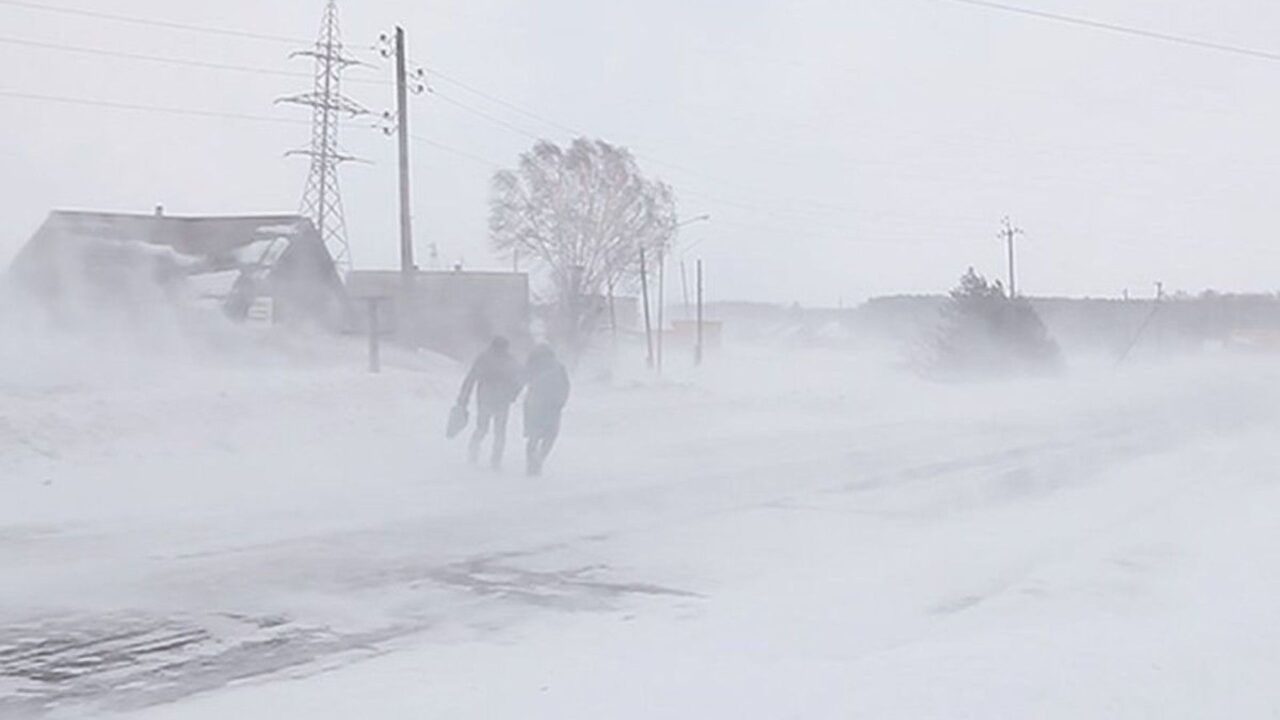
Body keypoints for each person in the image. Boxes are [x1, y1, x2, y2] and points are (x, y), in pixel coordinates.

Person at [456, 336, 522, 469]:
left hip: (487, 397)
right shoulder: (508, 360)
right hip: (500, 399)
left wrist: (463, 399)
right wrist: (513, 394)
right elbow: (519, 380)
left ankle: (475, 454)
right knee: (498, 431)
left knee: (483, 428)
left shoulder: (485, 358)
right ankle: (494, 460)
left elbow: (471, 378)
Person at [522, 344, 571, 476]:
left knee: (533, 436)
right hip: (552, 406)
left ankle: (532, 463)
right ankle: (538, 460)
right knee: (550, 435)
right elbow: (566, 386)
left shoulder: (532, 365)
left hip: (534, 404)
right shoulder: (559, 367)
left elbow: (521, 380)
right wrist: (561, 402)